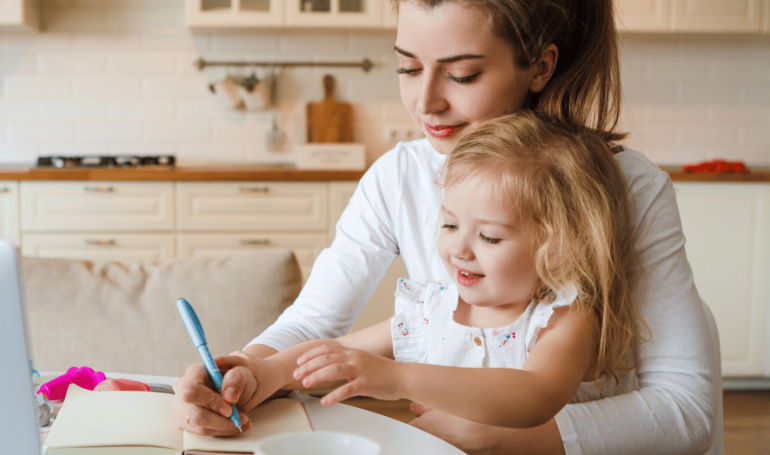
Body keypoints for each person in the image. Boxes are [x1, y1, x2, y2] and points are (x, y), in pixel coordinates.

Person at [172, 0, 718, 453]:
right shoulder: (400, 183)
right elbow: (318, 326)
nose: (426, 102)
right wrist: (247, 371)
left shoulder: (622, 190)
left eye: (462, 74)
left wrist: (508, 438)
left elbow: (685, 410)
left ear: (540, 66)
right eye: (408, 67)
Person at [203, 111, 645, 434]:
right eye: (450, 224)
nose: (458, 249)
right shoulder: (431, 309)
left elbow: (533, 395)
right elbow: (336, 353)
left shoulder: (564, 317)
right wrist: (263, 372)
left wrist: (396, 378)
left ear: (558, 248)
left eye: (489, 237)